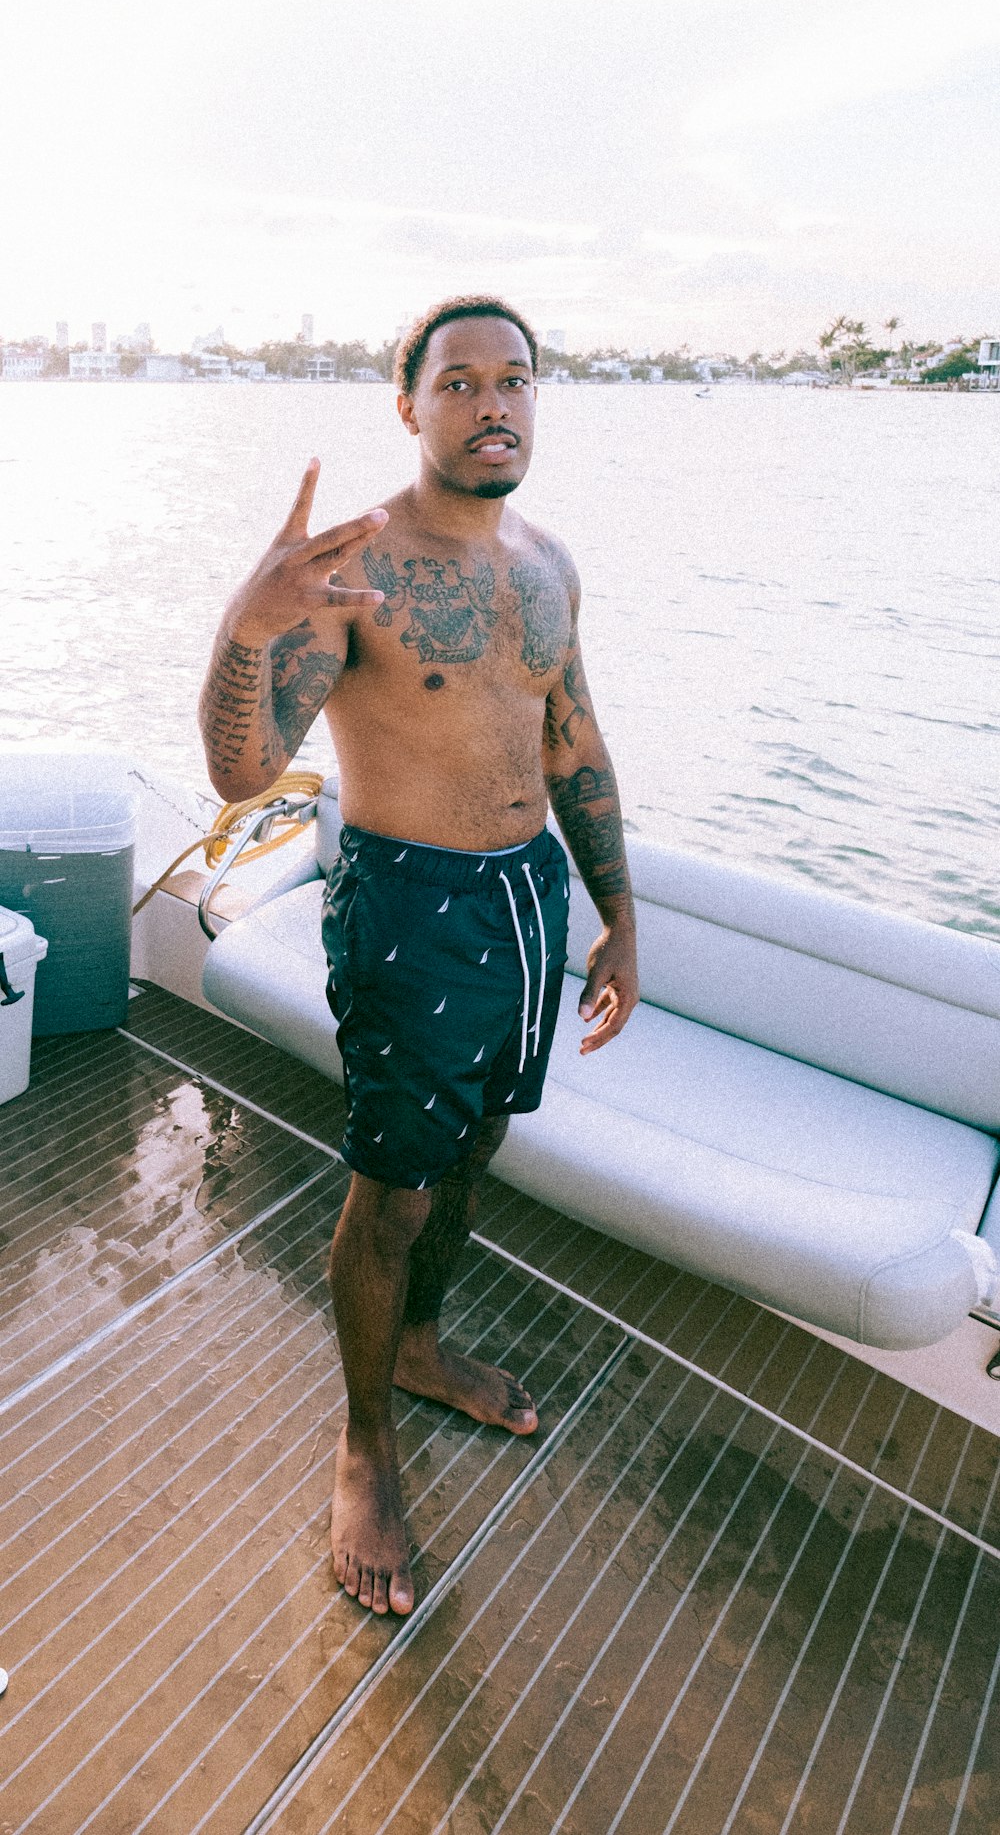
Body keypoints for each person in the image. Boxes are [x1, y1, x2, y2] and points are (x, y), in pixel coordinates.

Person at [198, 295, 639, 1618]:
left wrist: (622, 915)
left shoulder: (549, 566)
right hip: (411, 908)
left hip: (529, 905)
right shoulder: (356, 567)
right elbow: (239, 772)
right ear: (412, 406)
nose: (493, 402)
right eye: (461, 382)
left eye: (516, 381)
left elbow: (574, 741)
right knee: (391, 1190)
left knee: (475, 1149)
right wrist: (247, 619)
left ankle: (428, 1348)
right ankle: (364, 1442)